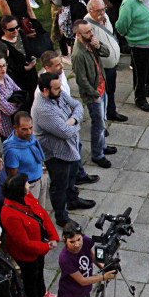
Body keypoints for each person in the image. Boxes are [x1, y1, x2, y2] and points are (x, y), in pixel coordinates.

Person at [30, 71, 93, 227]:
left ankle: (72, 199)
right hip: (57, 155)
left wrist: (71, 120)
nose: (60, 90)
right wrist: (75, 124)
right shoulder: (43, 110)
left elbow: (77, 105)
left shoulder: (57, 95)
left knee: (71, 176)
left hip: (69, 149)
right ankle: (61, 217)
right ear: (45, 90)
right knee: (59, 185)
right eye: (56, 88)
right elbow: (65, 132)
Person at [0, 172, 58, 297]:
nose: (28, 185)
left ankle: (42, 293)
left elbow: (42, 215)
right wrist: (46, 247)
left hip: (37, 247)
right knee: (29, 277)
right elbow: (23, 243)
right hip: (26, 254)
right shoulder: (10, 213)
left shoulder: (26, 197)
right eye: (26, 184)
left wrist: (52, 236)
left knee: (39, 271)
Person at [70, 19, 114, 170]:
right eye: (87, 32)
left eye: (91, 30)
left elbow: (106, 53)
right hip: (94, 94)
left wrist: (98, 45)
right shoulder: (78, 54)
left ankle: (103, 145)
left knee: (103, 120)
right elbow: (81, 79)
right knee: (98, 124)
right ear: (78, 34)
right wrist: (94, 93)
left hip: (102, 88)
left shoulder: (90, 43)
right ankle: (97, 155)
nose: (91, 33)